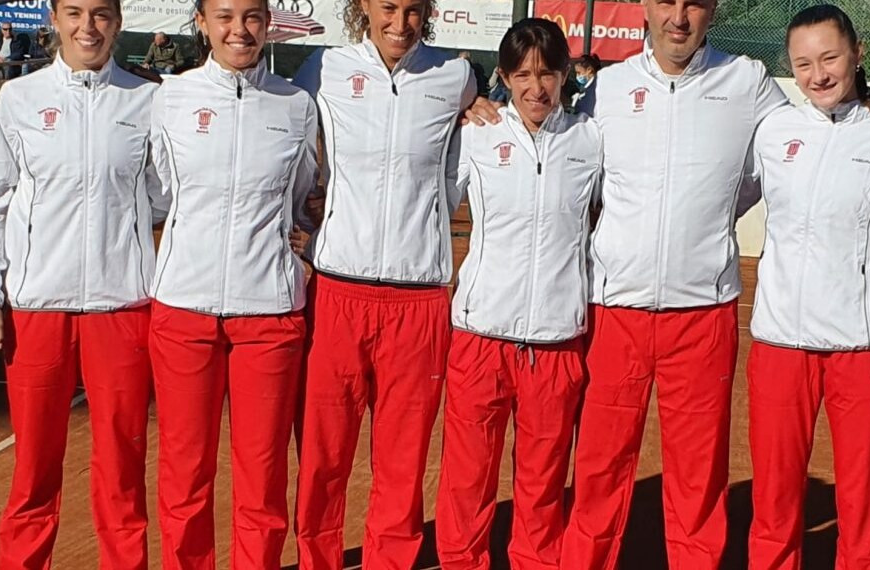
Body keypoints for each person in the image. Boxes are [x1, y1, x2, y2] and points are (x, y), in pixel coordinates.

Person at [467, 0, 870, 567]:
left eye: (693, 3)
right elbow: (546, 128)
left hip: (704, 313)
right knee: (598, 472)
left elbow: (819, 129)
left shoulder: (749, 82)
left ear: (711, 10)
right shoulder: (605, 92)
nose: (678, 17)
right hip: (616, 309)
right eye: (667, 2)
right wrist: (480, 107)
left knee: (698, 480)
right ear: (646, 7)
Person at [0, 1, 164, 568]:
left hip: (123, 306)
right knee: (32, 471)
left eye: (101, 14)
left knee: (123, 474)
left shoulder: (148, 100)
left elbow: (164, 194)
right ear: (54, 19)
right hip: (36, 310)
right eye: (74, 12)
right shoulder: (20, 98)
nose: (88, 27)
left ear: (118, 21)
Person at [743, 5, 870, 569]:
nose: (818, 74)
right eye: (803, 63)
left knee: (865, 513)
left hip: (866, 352)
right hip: (779, 349)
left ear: (857, 54)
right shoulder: (774, 130)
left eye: (829, 57)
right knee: (773, 511)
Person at [289, 0, 476, 566]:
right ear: (363, 8)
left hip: (418, 298)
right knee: (323, 456)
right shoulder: (322, 69)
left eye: (414, 9)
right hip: (337, 291)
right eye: (388, 7)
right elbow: (286, 148)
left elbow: (472, 146)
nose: (401, 22)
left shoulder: (456, 75)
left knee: (402, 457)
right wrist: (301, 219)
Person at [146, 0, 317, 567]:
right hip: (183, 309)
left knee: (263, 474)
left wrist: (297, 240)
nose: (238, 30)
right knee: (185, 471)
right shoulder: (169, 98)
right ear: (200, 21)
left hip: (268, 312)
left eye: (251, 16)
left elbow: (303, 198)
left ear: (268, 23)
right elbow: (160, 193)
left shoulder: (297, 106)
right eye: (224, 16)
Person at [435, 18, 602, 569]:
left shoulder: (589, 140)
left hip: (555, 345)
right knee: (467, 482)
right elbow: (431, 202)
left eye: (548, 74)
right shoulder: (477, 136)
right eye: (524, 75)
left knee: (543, 484)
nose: (537, 88)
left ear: (564, 77)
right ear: (504, 78)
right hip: (481, 340)